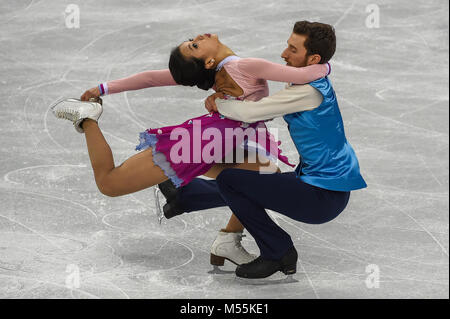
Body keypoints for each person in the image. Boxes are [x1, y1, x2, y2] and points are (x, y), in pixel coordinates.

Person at [51, 31, 330, 266]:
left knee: (265, 172)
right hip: (201, 143)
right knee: (109, 183)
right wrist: (325, 65)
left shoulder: (222, 69)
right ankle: (87, 118)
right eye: (195, 45)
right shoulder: (245, 66)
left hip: (225, 140)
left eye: (191, 40)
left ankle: (227, 240)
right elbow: (302, 73)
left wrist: (104, 86)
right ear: (208, 60)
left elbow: (151, 78)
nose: (199, 37)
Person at [157, 21, 367, 279]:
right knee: (262, 176)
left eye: (292, 49)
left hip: (322, 196)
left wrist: (219, 101)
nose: (283, 54)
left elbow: (252, 111)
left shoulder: (309, 91)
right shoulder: (309, 83)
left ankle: (278, 251)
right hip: (319, 184)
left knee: (231, 181)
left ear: (312, 58)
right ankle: (187, 196)